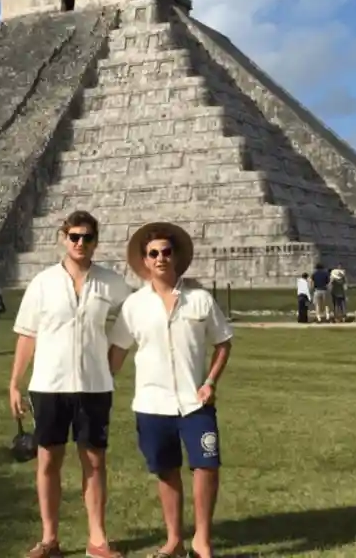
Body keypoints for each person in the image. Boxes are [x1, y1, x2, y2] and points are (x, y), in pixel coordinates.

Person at [9, 210, 133, 558]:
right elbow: (26, 335)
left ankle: (97, 539)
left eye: (87, 237)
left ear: (96, 241)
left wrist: (114, 361)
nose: (80, 243)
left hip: (94, 385)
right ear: (63, 237)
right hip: (49, 384)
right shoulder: (43, 283)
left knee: (94, 462)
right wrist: (14, 383)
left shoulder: (111, 282)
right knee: (48, 461)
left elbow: (135, 316)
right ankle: (49, 538)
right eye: (74, 236)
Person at [108, 222, 233, 558]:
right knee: (166, 471)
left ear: (176, 257)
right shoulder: (134, 306)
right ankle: (174, 540)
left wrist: (209, 382)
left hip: (196, 402)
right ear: (145, 261)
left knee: (207, 466)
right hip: (151, 403)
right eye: (153, 254)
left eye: (166, 252)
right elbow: (116, 355)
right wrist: (94, 390)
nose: (160, 258)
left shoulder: (200, 300)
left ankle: (202, 540)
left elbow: (223, 343)